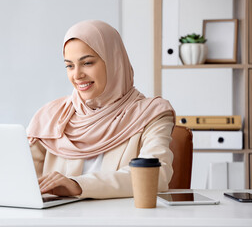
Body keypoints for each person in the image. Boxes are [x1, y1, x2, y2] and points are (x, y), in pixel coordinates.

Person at [27, 20, 175, 199]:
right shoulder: (50, 117)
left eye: (87, 63)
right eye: (69, 65)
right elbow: (21, 179)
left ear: (113, 61)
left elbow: (156, 176)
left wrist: (78, 185)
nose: (77, 75)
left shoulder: (152, 113)